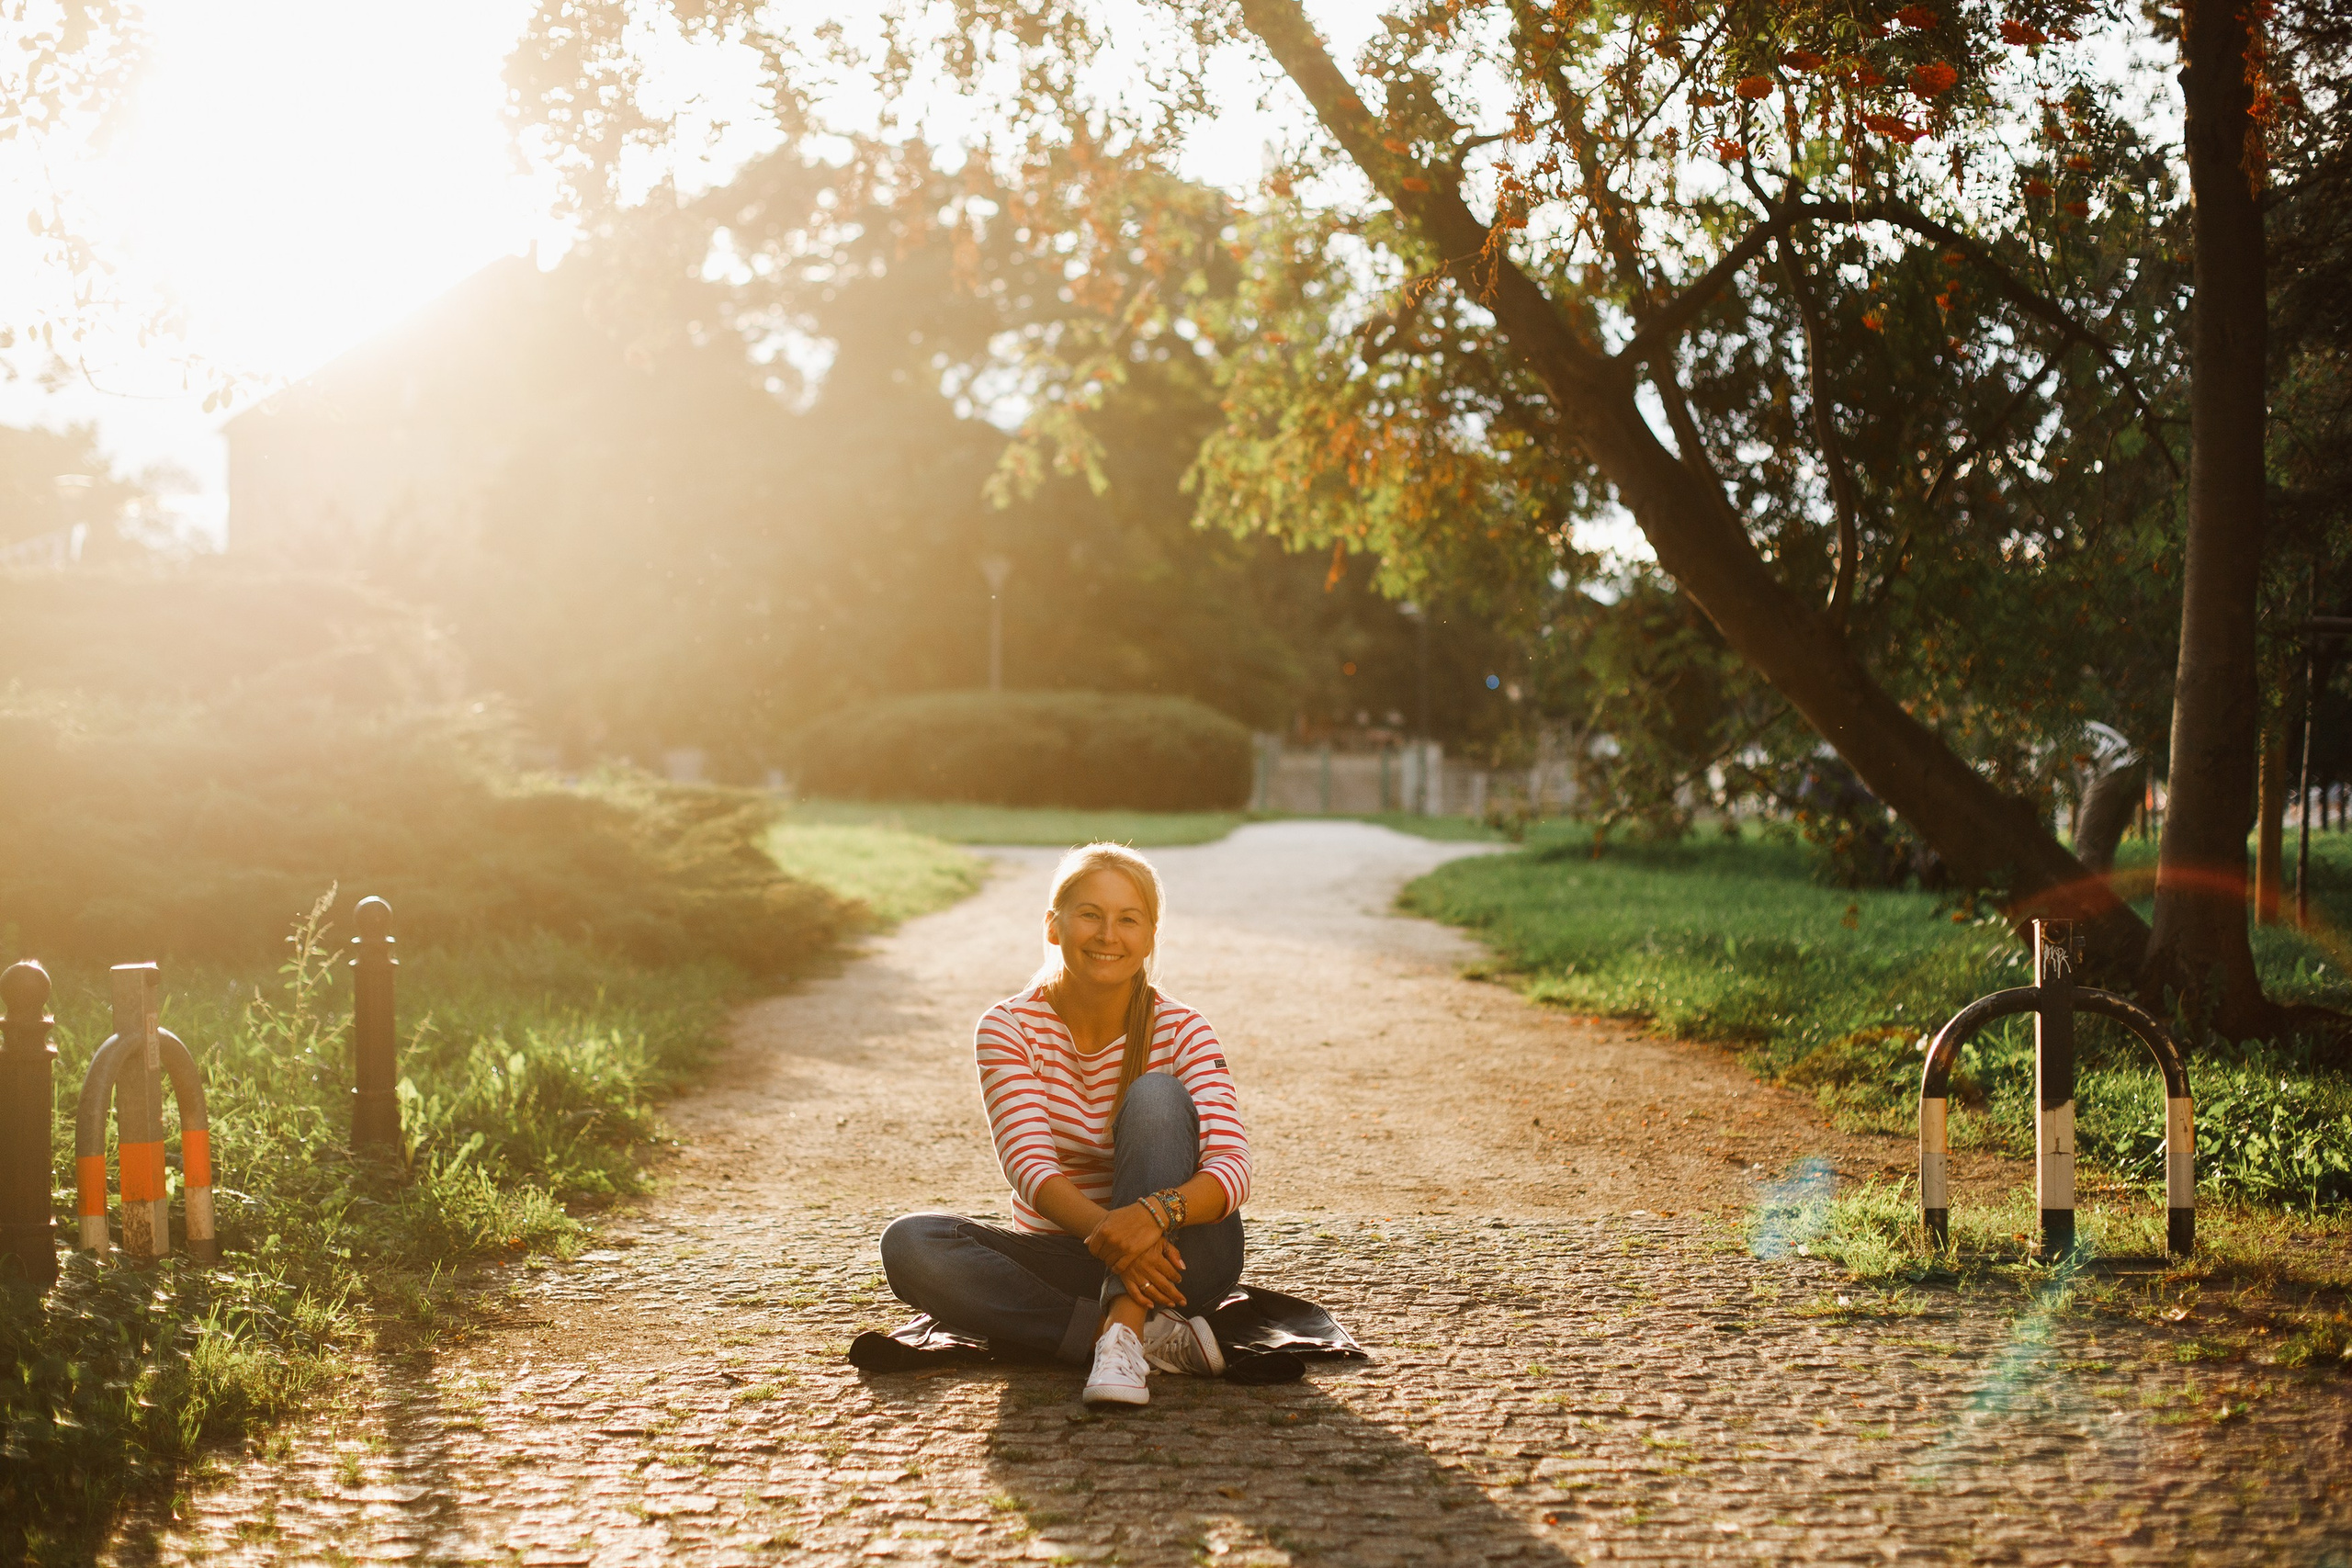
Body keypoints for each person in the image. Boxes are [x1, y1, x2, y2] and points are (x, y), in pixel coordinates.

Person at [878, 842, 1250, 1406]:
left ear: (1150, 936)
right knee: (911, 1243)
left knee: (1156, 1096)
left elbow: (1232, 1169)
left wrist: (1151, 1216)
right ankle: (1128, 1339)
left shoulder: (1185, 1030)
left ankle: (1123, 1324)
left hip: (1180, 1261)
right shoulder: (1008, 1027)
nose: (1108, 935)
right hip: (1068, 1259)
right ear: (1054, 927)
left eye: (1128, 919)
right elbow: (1029, 1168)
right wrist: (1112, 1238)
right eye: (1090, 915)